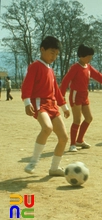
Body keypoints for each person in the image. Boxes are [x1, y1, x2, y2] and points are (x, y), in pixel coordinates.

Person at [21, 36, 69, 176]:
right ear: (42, 49)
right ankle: (33, 162)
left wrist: (64, 107)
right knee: (47, 128)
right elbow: (27, 86)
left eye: (57, 54)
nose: (54, 56)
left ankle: (54, 168)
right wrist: (27, 103)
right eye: (52, 52)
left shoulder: (51, 70)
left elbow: (56, 90)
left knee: (64, 138)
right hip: (39, 104)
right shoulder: (35, 66)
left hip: (53, 105)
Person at [60, 44, 102, 152]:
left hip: (84, 95)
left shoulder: (88, 67)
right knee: (77, 120)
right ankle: (72, 144)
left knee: (89, 118)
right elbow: (65, 81)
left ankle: (80, 140)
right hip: (76, 95)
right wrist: (61, 95)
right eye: (88, 56)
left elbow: (98, 76)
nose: (90, 59)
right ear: (81, 56)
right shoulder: (75, 67)